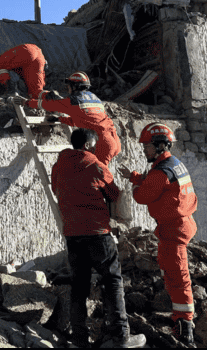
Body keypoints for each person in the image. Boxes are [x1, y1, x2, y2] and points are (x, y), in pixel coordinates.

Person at [51, 128, 146, 349]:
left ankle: (80, 341)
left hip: (73, 236)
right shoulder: (96, 166)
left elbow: (57, 189)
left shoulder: (59, 165)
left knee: (79, 286)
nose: (96, 149)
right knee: (112, 281)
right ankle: (121, 336)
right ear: (86, 146)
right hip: (98, 235)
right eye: (94, 145)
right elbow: (114, 195)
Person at [117, 122, 198, 347]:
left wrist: (133, 188)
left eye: (148, 146)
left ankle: (185, 327)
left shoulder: (162, 171)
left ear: (161, 146)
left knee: (178, 275)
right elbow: (155, 183)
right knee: (169, 268)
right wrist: (134, 176)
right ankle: (179, 317)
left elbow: (144, 195)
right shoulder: (172, 164)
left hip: (174, 229)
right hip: (177, 225)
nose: (144, 150)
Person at [26, 71, 121, 166]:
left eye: (69, 86)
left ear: (74, 86)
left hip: (103, 143)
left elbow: (47, 105)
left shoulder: (73, 101)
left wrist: (26, 102)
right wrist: (60, 119)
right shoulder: (95, 98)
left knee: (97, 177)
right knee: (95, 174)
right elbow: (83, 120)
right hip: (114, 140)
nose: (68, 89)